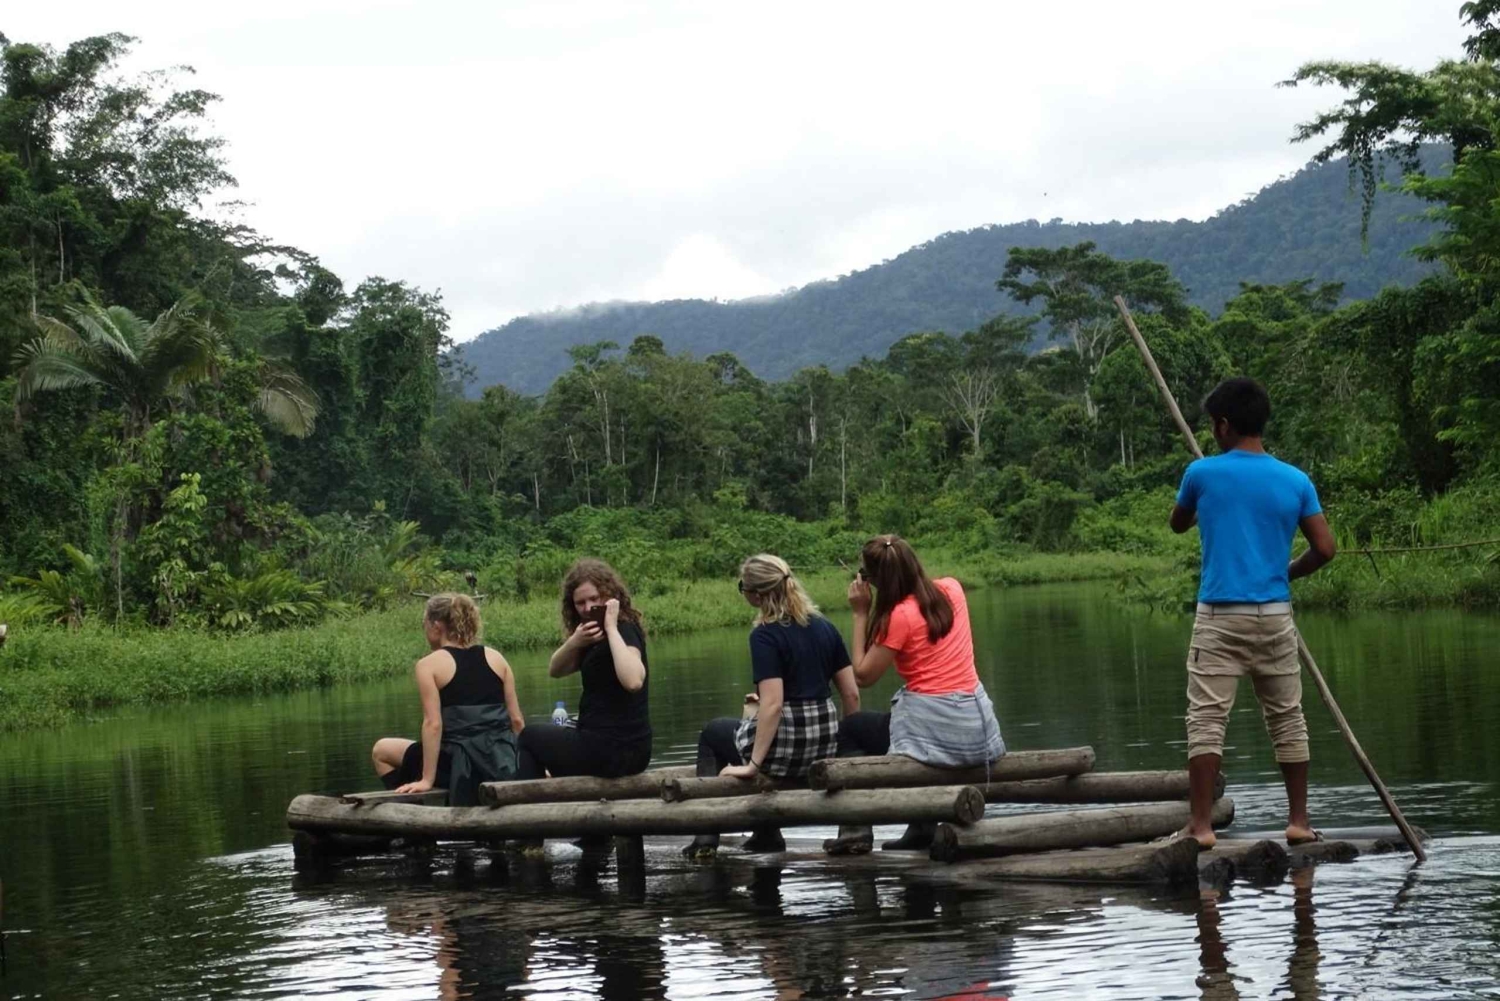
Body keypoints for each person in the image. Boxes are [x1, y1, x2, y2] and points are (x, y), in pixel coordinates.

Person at [1169, 376, 1335, 849]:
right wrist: (1286, 573)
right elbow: (1325, 549)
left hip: (1219, 619)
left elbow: (1178, 524)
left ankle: (1201, 827)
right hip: (1274, 617)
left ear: (1223, 425)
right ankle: (1298, 821)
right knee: (1288, 718)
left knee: (1206, 720)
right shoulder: (1295, 480)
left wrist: (1204, 502)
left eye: (1213, 425)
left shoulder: (1201, 474)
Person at [828, 535, 1005, 855]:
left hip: (939, 733)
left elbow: (863, 676)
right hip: (978, 729)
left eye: (865, 574)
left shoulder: (899, 616)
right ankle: (920, 828)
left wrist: (860, 613)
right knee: (894, 721)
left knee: (851, 730)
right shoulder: (952, 589)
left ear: (877, 580)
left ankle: (856, 829)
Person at [682, 554, 861, 860]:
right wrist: (841, 749)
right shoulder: (825, 627)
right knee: (750, 719)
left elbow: (774, 704)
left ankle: (707, 836)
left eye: (743, 587)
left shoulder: (764, 634)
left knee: (713, 733)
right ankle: (765, 833)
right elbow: (852, 695)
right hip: (824, 748)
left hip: (786, 753)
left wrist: (752, 765)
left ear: (756, 595)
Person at [371, 593, 525, 805]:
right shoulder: (497, 658)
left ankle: (413, 813)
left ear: (436, 626)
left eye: (424, 624)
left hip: (460, 766)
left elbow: (433, 724)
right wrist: (528, 765)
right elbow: (517, 721)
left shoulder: (429, 665)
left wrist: (427, 780)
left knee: (382, 750)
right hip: (502, 763)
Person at [516, 558, 652, 781]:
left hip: (612, 750)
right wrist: (575, 641)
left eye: (594, 599)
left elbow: (634, 681)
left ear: (609, 595)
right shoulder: (590, 637)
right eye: (580, 603)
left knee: (528, 737)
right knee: (553, 737)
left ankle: (529, 799)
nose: (588, 608)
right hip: (615, 749)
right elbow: (555, 670)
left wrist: (611, 627)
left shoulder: (625, 630)